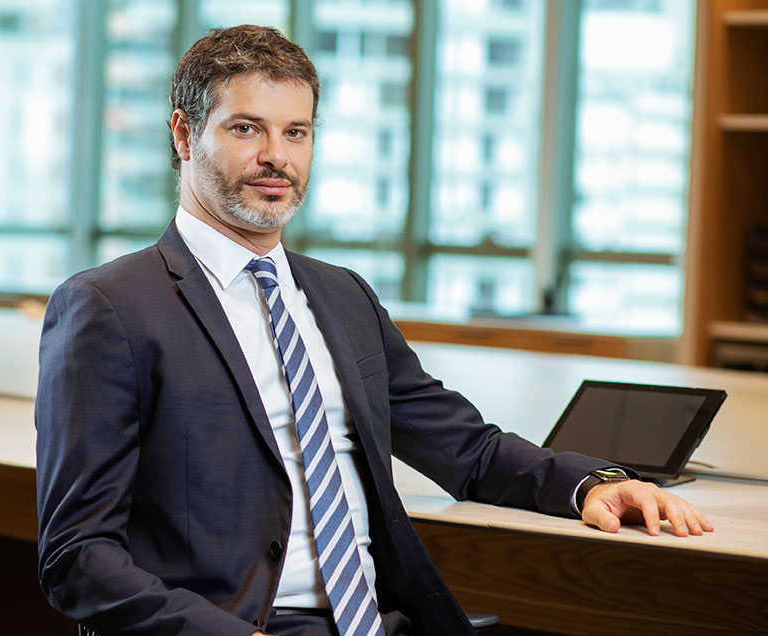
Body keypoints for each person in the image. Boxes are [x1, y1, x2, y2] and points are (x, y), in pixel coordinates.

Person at [35, 24, 712, 636]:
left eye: (296, 132)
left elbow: (466, 449)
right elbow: (77, 557)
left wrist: (590, 485)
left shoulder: (341, 295)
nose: (277, 156)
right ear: (183, 135)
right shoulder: (109, 307)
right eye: (246, 128)